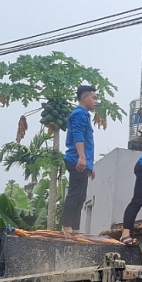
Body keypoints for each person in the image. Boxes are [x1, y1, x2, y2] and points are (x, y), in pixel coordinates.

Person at [60, 84, 98, 237]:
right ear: (84, 97)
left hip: (82, 162)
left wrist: (90, 165)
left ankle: (74, 227)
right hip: (76, 160)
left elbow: (87, 143)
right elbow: (78, 136)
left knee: (82, 196)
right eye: (94, 98)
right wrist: (82, 158)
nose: (96, 101)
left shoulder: (85, 115)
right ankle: (66, 225)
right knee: (75, 194)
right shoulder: (79, 114)